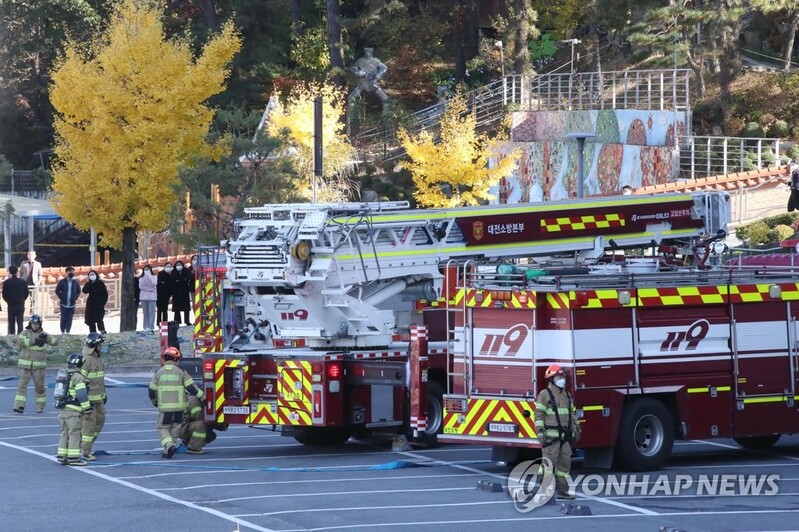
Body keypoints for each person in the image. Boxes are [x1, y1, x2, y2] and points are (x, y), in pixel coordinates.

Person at [533, 364, 581, 500]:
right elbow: (538, 415)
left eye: (563, 376)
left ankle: (562, 491)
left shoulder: (566, 395)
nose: (562, 379)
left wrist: (576, 428)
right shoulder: (545, 394)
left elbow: (571, 414)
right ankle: (544, 490)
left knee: (564, 467)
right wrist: (540, 431)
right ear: (552, 378)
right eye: (559, 377)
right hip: (551, 439)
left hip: (564, 438)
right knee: (548, 465)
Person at [148, 347, 204, 458]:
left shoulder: (159, 373)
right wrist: (203, 397)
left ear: (165, 359)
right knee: (175, 428)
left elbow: (151, 390)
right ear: (176, 359)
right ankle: (170, 449)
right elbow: (192, 388)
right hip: (180, 408)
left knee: (163, 428)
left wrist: (155, 402)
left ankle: (168, 445)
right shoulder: (181, 372)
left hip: (165, 409)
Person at [13, 314, 58, 414]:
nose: (35, 326)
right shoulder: (24, 333)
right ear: (30, 324)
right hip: (25, 366)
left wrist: (47, 338)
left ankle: (40, 406)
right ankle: (19, 405)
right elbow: (20, 342)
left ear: (40, 324)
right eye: (33, 324)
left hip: (39, 367)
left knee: (40, 387)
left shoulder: (43, 334)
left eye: (37, 324)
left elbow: (55, 342)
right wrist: (34, 341)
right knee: (22, 386)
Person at [56, 353, 92, 466]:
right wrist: (87, 408)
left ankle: (62, 456)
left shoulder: (64, 375)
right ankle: (74, 458)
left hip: (62, 410)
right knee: (75, 434)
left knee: (64, 433)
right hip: (73, 411)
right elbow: (82, 395)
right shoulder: (78, 377)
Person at [80, 332, 106, 461]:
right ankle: (85, 451)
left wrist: (104, 394)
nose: (101, 346)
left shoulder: (97, 358)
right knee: (89, 426)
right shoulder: (86, 360)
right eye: (100, 344)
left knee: (100, 421)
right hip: (89, 400)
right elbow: (80, 381)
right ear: (94, 345)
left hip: (98, 398)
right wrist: (84, 401)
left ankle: (83, 444)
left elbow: (100, 380)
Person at [348, 47, 389, 113]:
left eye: (369, 52)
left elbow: (384, 68)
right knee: (351, 99)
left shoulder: (376, 61)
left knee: (386, 99)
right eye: (366, 52)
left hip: (373, 84)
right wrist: (359, 72)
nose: (368, 53)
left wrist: (377, 75)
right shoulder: (360, 60)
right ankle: (350, 121)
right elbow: (353, 68)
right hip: (362, 84)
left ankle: (386, 118)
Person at [2, 265, 29, 335]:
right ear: (17, 272)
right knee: (20, 321)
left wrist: (8, 301)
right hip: (20, 303)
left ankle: (12, 335)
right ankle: (20, 336)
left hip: (11, 304)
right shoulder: (22, 282)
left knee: (11, 321)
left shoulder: (6, 282)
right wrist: (23, 299)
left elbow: (4, 294)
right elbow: (26, 292)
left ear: (10, 272)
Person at [54, 266, 80, 334]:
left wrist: (75, 297)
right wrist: (61, 297)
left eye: (72, 272)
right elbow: (57, 290)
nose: (71, 273)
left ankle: (68, 331)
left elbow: (78, 291)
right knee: (63, 318)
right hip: (63, 303)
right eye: (70, 272)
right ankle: (62, 331)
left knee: (70, 318)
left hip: (72, 304)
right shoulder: (62, 282)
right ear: (66, 273)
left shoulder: (75, 282)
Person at [82, 270, 108, 334]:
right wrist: (87, 283)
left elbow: (105, 294)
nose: (92, 276)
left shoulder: (100, 283)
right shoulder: (89, 284)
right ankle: (93, 333)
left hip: (99, 304)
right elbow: (85, 291)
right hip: (91, 304)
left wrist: (102, 303)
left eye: (93, 274)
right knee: (91, 320)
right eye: (90, 275)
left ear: (96, 275)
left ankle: (102, 331)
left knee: (99, 319)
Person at [171, 260, 192, 326]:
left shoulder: (185, 270)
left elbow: (188, 278)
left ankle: (187, 321)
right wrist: (181, 280)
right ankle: (177, 321)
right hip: (176, 292)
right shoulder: (173, 272)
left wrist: (180, 281)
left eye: (180, 265)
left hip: (185, 291)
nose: (178, 266)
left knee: (186, 308)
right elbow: (173, 281)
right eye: (177, 265)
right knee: (177, 308)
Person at [139, 265, 157, 332]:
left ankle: (151, 326)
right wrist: (150, 289)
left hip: (152, 298)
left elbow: (153, 284)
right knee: (145, 313)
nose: (146, 270)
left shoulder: (154, 277)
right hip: (143, 297)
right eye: (145, 269)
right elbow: (141, 286)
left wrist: (148, 276)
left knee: (152, 313)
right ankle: (145, 326)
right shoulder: (141, 278)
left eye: (147, 269)